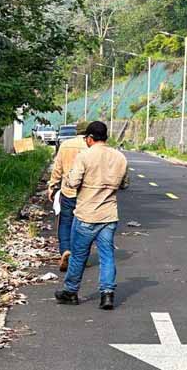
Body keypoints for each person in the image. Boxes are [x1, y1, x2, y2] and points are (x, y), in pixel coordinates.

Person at [55, 121, 129, 310]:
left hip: (86, 215)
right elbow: (125, 184)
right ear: (106, 137)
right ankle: (107, 295)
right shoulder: (120, 157)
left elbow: (73, 182)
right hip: (109, 215)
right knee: (107, 256)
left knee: (79, 255)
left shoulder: (84, 156)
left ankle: (71, 292)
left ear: (89, 138)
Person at [47, 122, 89, 272]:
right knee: (84, 226)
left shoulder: (65, 145)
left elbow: (57, 168)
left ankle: (65, 250)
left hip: (67, 192)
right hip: (87, 194)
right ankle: (79, 256)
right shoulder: (90, 147)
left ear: (76, 131)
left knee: (65, 222)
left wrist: (52, 185)